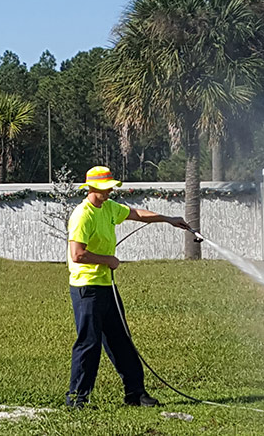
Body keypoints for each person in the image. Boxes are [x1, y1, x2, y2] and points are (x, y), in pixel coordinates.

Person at [65, 166, 189, 409]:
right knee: (89, 343)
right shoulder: (82, 215)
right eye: (105, 187)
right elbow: (77, 254)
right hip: (86, 288)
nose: (110, 190)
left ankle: (135, 394)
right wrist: (108, 260)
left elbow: (136, 214)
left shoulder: (109, 207)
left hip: (106, 287)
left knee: (121, 339)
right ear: (92, 188)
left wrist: (168, 219)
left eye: (111, 186)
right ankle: (77, 399)